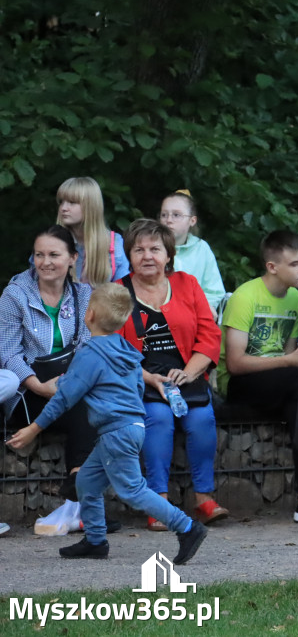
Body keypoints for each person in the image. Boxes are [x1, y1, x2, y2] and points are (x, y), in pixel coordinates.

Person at [6, 283, 208, 563]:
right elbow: (130, 386)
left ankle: (187, 528)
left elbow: (63, 400)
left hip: (116, 431)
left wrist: (32, 428)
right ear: (124, 319)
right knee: (87, 482)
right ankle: (95, 540)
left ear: (88, 315)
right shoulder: (125, 348)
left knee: (133, 490)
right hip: (130, 427)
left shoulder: (89, 354)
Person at [217, 230, 298, 524]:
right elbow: (236, 363)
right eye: (295, 264)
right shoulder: (245, 297)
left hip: (280, 383)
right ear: (272, 267)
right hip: (241, 383)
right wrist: (290, 361)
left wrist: (292, 361)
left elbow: (289, 357)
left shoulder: (294, 297)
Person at [115, 219, 227, 531]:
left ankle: (204, 498)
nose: (147, 255)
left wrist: (190, 373)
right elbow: (111, 347)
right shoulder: (118, 292)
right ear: (129, 255)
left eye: (155, 249)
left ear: (168, 255)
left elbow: (209, 334)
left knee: (202, 419)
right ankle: (158, 502)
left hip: (185, 377)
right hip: (141, 380)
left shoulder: (187, 284)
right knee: (158, 419)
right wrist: (146, 377)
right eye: (139, 250)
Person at [2, 226, 98, 513]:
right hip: (26, 390)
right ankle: (81, 495)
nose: (45, 262)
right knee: (85, 407)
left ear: (72, 258)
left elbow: (87, 345)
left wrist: (73, 382)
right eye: (39, 255)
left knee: (91, 406)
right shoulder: (14, 295)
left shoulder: (84, 295)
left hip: (70, 384)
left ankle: (79, 492)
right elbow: (8, 353)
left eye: (54, 254)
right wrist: (40, 386)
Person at [159, 190, 226, 317]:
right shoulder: (151, 247)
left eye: (176, 215)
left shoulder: (202, 249)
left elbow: (214, 291)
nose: (168, 220)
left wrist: (203, 310)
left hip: (194, 316)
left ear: (192, 221)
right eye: (164, 215)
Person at [52, 177, 129, 284]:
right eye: (61, 202)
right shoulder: (49, 243)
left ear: (90, 206)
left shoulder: (113, 243)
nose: (63, 208)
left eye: (72, 202)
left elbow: (124, 292)